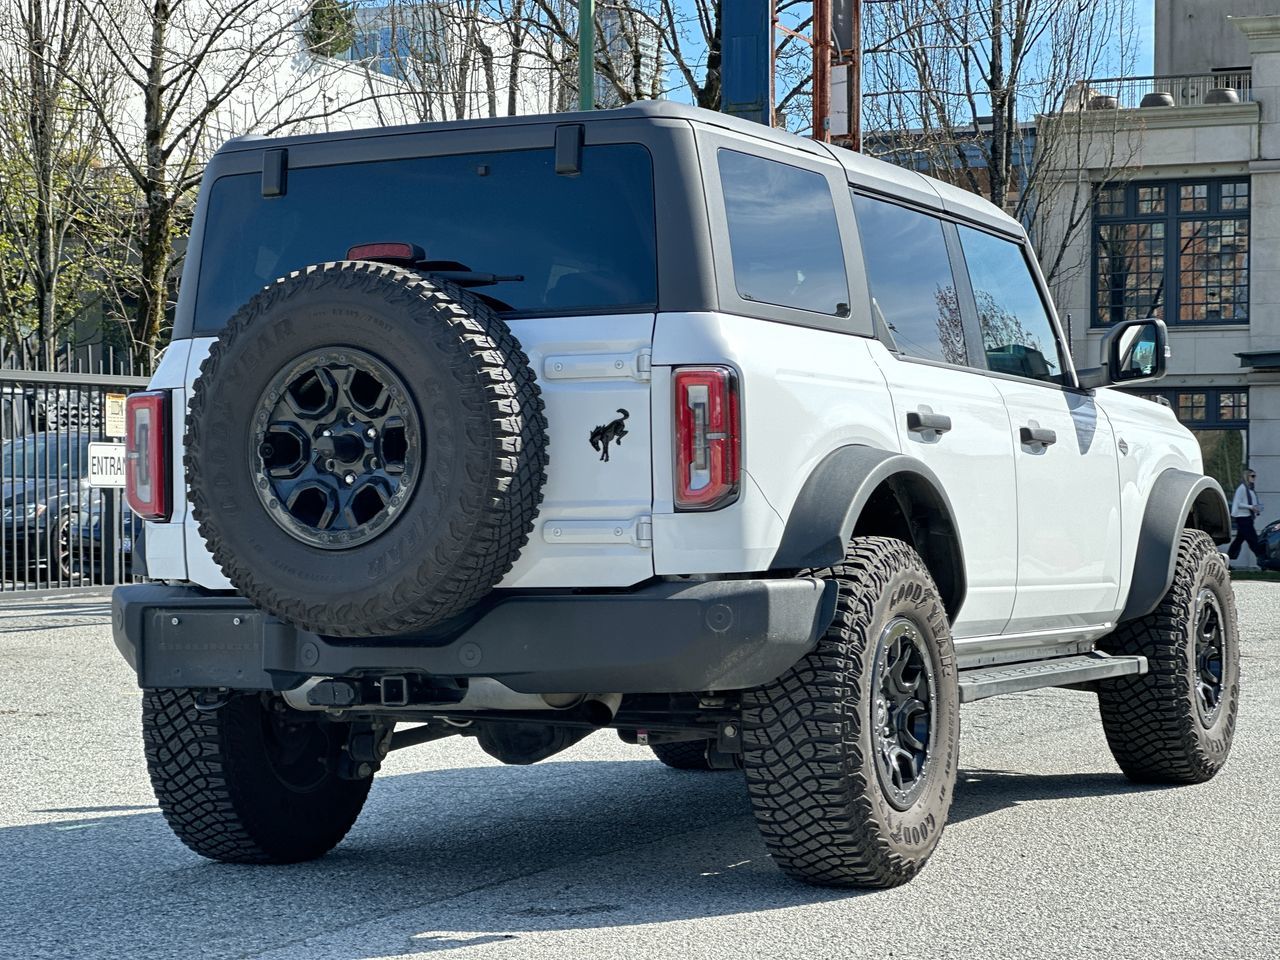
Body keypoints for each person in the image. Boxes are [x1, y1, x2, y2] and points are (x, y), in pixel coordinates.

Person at [1227, 467, 1264, 563]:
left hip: (1248, 518)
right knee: (1253, 539)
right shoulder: (1242, 488)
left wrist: (1256, 507)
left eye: (1255, 476)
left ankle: (1227, 560)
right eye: (1252, 476)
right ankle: (1262, 559)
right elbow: (1238, 503)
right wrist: (1251, 507)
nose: (1254, 478)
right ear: (1247, 476)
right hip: (1243, 518)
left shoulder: (1250, 489)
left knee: (1239, 541)